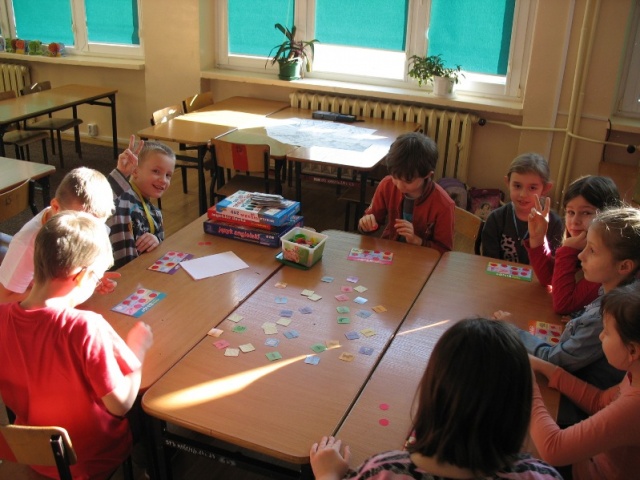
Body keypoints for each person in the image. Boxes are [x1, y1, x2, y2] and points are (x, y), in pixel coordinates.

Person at [0, 211, 153, 479]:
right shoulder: (85, 327)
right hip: (91, 455)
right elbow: (120, 404)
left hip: (33, 449)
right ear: (82, 277)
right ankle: (150, 466)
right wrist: (137, 353)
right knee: (146, 409)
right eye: (97, 278)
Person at [310, 318, 563, 480]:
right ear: (521, 410)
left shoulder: (386, 471)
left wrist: (327, 474)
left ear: (432, 395)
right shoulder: (540, 476)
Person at [509, 206, 640, 424]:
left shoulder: (610, 315)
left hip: (578, 409)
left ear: (624, 266)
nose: (581, 255)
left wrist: (512, 331)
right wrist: (579, 319)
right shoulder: (612, 290)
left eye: (592, 251)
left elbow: (554, 359)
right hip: (578, 390)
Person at [529, 282, 640, 479]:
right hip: (587, 462)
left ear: (632, 350)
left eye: (606, 332)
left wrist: (527, 384)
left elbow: (553, 448)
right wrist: (546, 368)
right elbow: (600, 401)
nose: (601, 336)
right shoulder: (634, 375)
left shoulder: (635, 406)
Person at [0, 167, 116, 303]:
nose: (89, 231)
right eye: (81, 223)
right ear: (55, 207)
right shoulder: (27, 243)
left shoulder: (92, 224)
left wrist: (91, 278)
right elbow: (4, 298)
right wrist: (63, 292)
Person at [525, 175, 621, 314]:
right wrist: (538, 238)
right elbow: (549, 279)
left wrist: (568, 251)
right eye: (570, 212)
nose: (575, 221)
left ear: (608, 215)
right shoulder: (581, 243)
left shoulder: (608, 260)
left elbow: (564, 304)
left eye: (586, 212)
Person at [357, 132, 454, 253]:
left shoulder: (444, 204)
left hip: (422, 258)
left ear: (427, 175)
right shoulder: (387, 184)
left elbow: (444, 251)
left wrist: (417, 241)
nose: (399, 185)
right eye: (395, 177)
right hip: (391, 251)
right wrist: (366, 224)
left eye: (408, 181)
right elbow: (373, 219)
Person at [107, 135, 176, 269]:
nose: (163, 180)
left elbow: (160, 244)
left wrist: (156, 240)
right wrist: (120, 173)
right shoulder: (122, 198)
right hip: (114, 275)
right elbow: (99, 199)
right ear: (135, 171)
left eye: (168, 175)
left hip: (138, 273)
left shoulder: (155, 214)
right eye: (156, 171)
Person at [481, 152, 563, 264]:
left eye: (532, 188)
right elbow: (489, 262)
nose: (523, 194)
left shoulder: (554, 224)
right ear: (508, 183)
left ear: (545, 189)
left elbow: (553, 267)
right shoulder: (495, 219)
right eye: (517, 186)